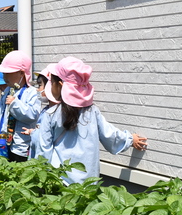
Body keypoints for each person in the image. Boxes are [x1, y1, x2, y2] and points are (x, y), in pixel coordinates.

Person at [35, 56, 148, 185]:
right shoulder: (92, 111)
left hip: (60, 181)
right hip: (88, 181)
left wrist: (42, 180)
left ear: (60, 85)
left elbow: (43, 151)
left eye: (52, 82)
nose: (50, 86)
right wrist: (130, 139)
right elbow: (109, 134)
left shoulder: (50, 115)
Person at [0, 51, 41, 162]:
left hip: (20, 146)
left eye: (8, 73)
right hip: (3, 142)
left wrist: (15, 103)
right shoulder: (7, 90)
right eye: (4, 73)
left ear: (21, 73)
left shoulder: (32, 92)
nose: (5, 77)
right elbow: (1, 115)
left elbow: (32, 115)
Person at [23, 64, 58, 159]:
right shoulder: (46, 109)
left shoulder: (56, 112)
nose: (37, 89)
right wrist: (33, 132)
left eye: (40, 85)